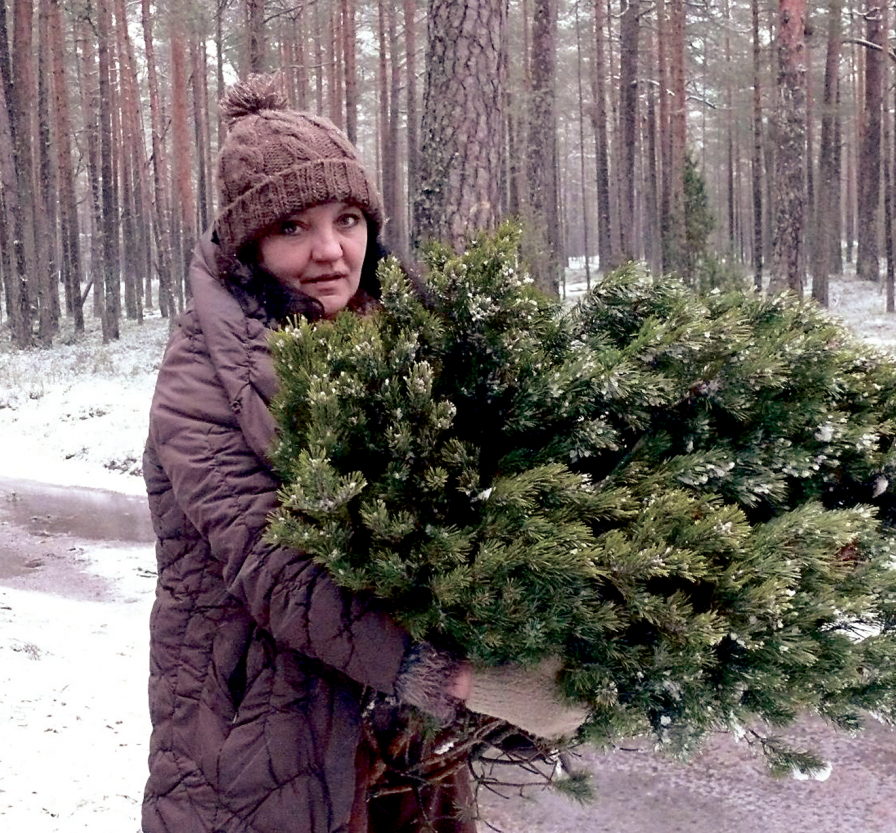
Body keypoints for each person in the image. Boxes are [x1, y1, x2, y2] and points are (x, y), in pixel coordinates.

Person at [141, 75, 585, 833]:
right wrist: (463, 676)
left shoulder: (412, 340)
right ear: (247, 243)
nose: (329, 251)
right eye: (292, 228)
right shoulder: (198, 381)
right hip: (263, 729)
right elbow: (274, 569)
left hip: (407, 742)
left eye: (347, 219)